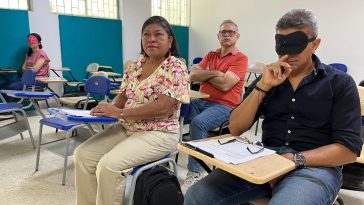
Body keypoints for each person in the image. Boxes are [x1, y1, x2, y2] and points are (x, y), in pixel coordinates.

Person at [184, 9, 363, 205]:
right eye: (282, 46)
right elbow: (235, 127)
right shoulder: (267, 79)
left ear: (315, 44)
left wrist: (295, 159)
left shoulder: (339, 83)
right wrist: (263, 87)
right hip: (265, 160)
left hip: (315, 167)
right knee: (197, 195)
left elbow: (348, 149)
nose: (287, 54)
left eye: (296, 46)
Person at [73, 16, 189, 205]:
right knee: (82, 155)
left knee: (109, 166)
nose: (151, 39)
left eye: (158, 34)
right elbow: (123, 97)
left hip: (159, 132)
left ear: (170, 41)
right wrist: (104, 110)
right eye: (146, 34)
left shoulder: (175, 66)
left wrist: (118, 113)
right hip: (128, 127)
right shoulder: (134, 66)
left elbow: (163, 107)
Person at [182, 19, 248, 191]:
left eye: (231, 32)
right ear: (218, 36)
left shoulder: (241, 58)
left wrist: (205, 74)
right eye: (223, 32)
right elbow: (192, 75)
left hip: (225, 106)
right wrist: (217, 73)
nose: (227, 35)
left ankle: (194, 173)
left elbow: (226, 85)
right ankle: (165, 156)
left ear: (237, 36)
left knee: (199, 123)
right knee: (175, 111)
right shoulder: (211, 55)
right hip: (201, 100)